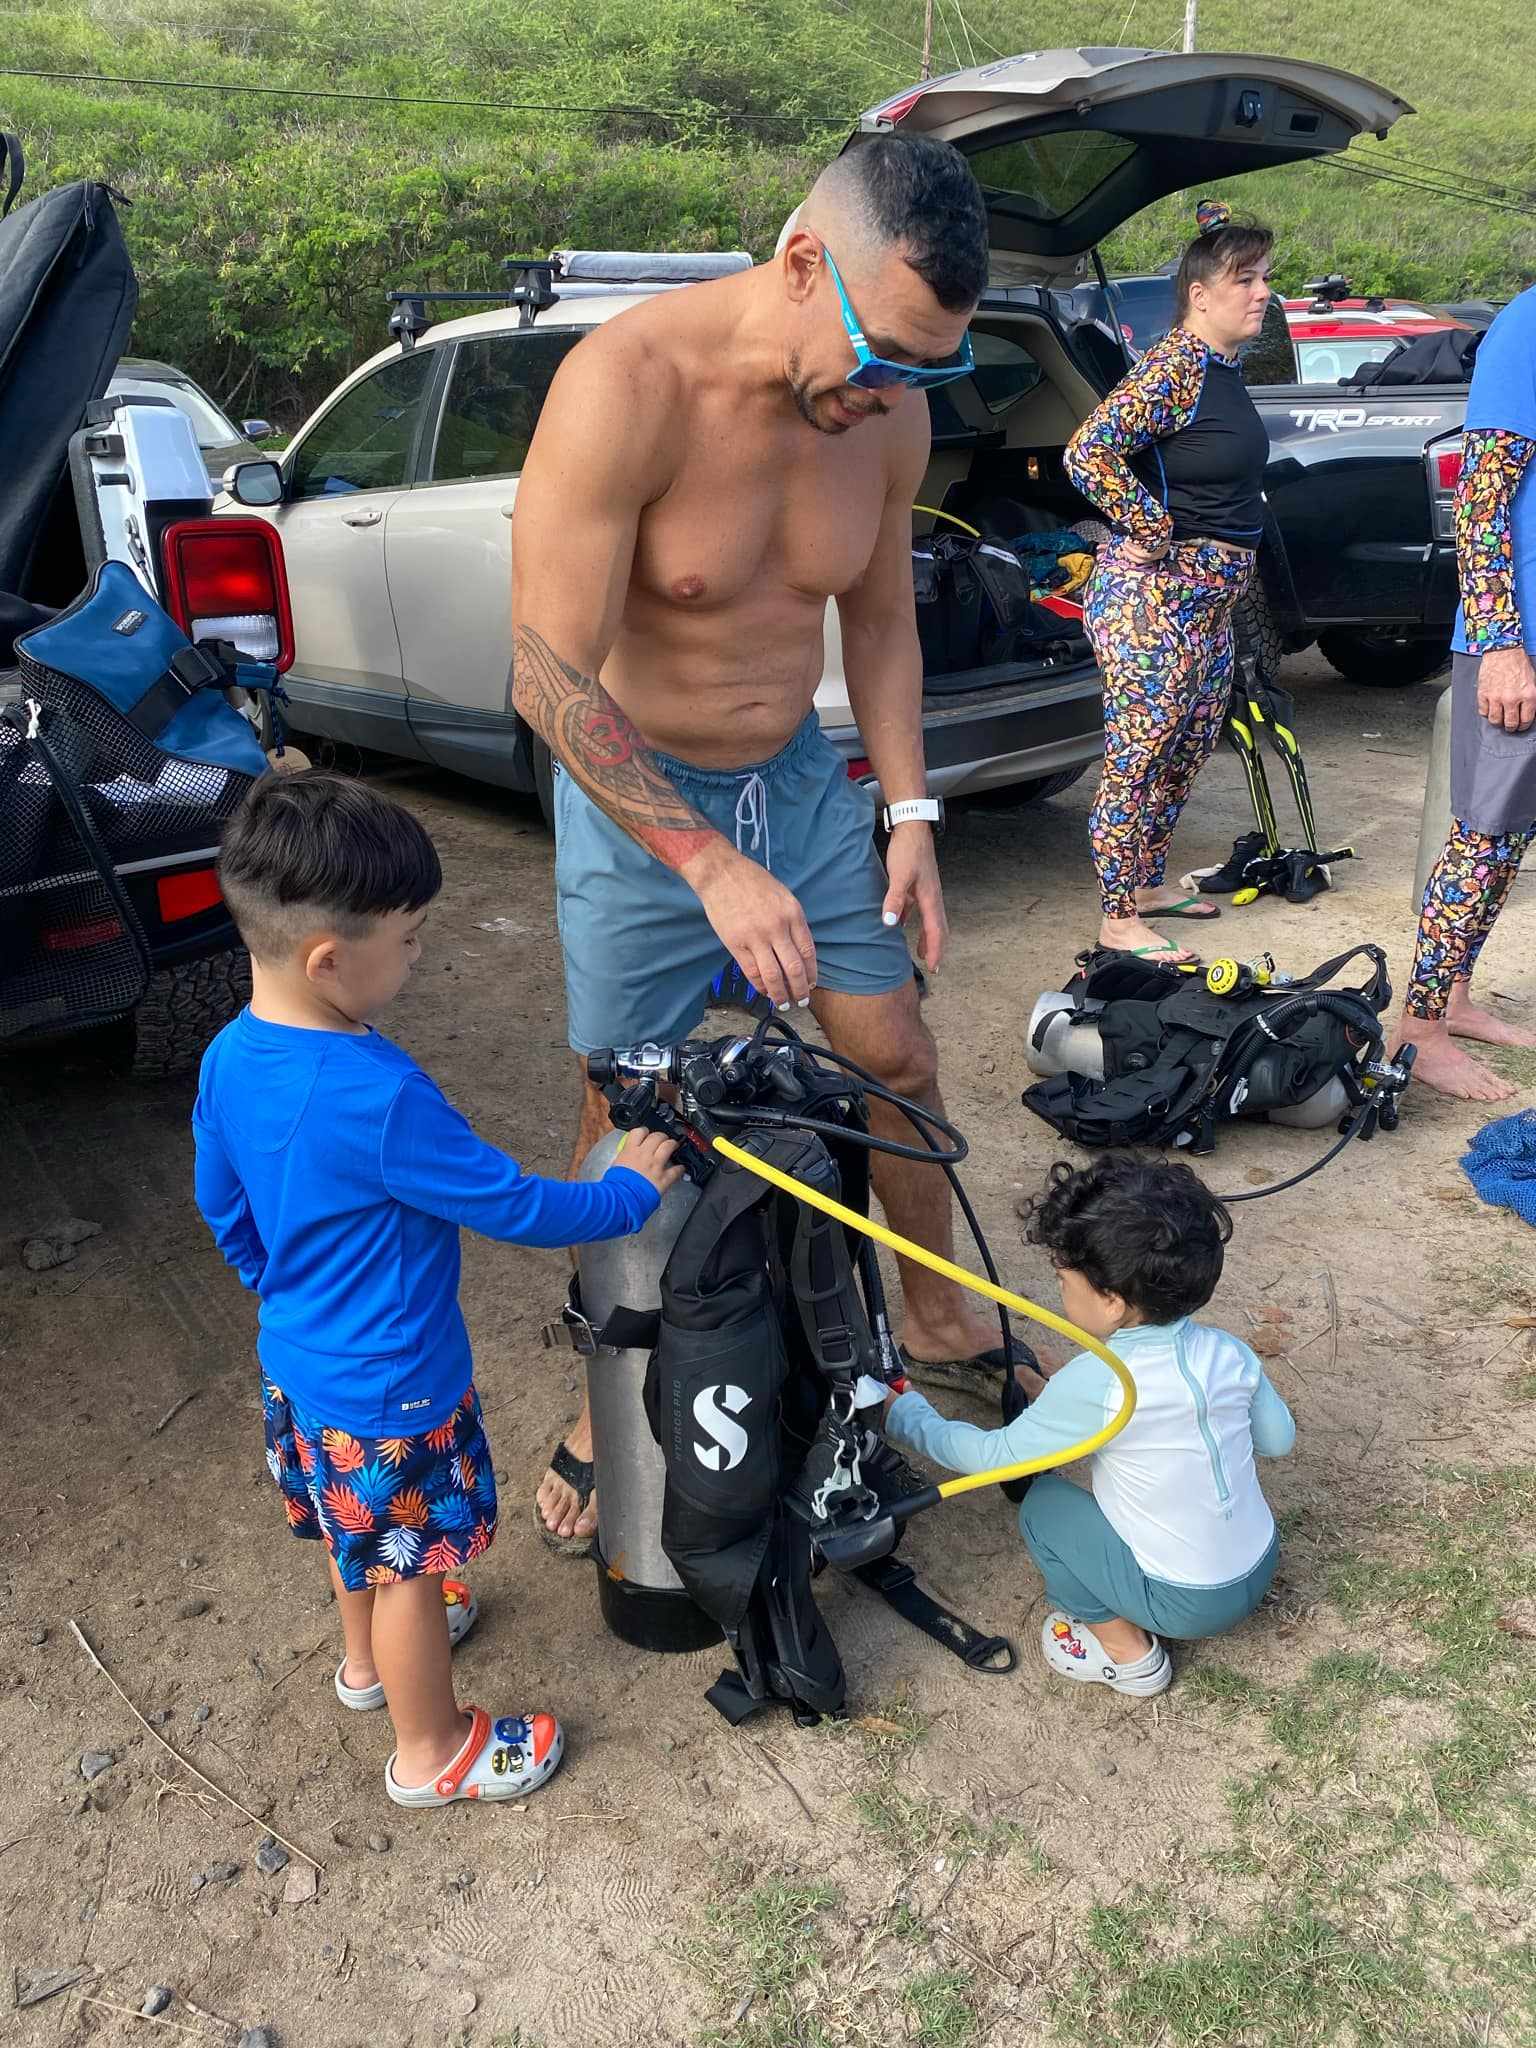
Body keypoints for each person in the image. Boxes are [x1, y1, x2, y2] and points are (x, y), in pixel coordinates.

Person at [511, 134, 1016, 1553]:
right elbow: (545, 679)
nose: (891, 395)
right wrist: (705, 864)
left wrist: (909, 813)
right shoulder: (626, 386)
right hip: (637, 794)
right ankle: (612, 1382)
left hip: (797, 781)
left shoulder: (885, 403)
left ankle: (935, 1313)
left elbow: (883, 623)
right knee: (632, 1108)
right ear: (804, 265)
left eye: (924, 369)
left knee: (893, 1053)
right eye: (881, 354)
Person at [191, 771, 681, 1807]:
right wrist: (626, 1194)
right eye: (408, 938)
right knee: (409, 1564)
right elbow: (511, 1203)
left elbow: (221, 1197)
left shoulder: (230, 1055)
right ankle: (434, 1747)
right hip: (397, 1385)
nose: (418, 954)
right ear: (330, 958)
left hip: (302, 1365)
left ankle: (364, 1668)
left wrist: (275, 1286)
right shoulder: (377, 1094)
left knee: (352, 1531)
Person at [882, 1156, 1294, 1697]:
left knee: (1046, 1506)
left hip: (1186, 1603)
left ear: (1111, 1300)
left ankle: (1128, 1655)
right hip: (1259, 1563)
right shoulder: (1229, 1351)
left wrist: (907, 1414)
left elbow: (993, 1458)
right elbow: (1278, 1440)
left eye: (1062, 1278)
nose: (1060, 1288)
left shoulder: (1101, 1382)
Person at [1064, 200, 1275, 964]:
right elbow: (1088, 452)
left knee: (1186, 749)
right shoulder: (1175, 366)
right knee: (1140, 751)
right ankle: (1117, 917)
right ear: (1200, 294)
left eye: (1265, 278)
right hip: (1152, 597)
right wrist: (1149, 524)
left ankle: (1149, 883)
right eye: (1245, 279)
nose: (1262, 293)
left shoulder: (1223, 366)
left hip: (1207, 606)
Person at [1396, 285, 1536, 1099]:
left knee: (1508, 840)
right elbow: (1481, 501)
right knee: (1482, 840)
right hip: (1517, 643)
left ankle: (1455, 997)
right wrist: (1501, 646)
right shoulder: (1527, 323)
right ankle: (1418, 1031)